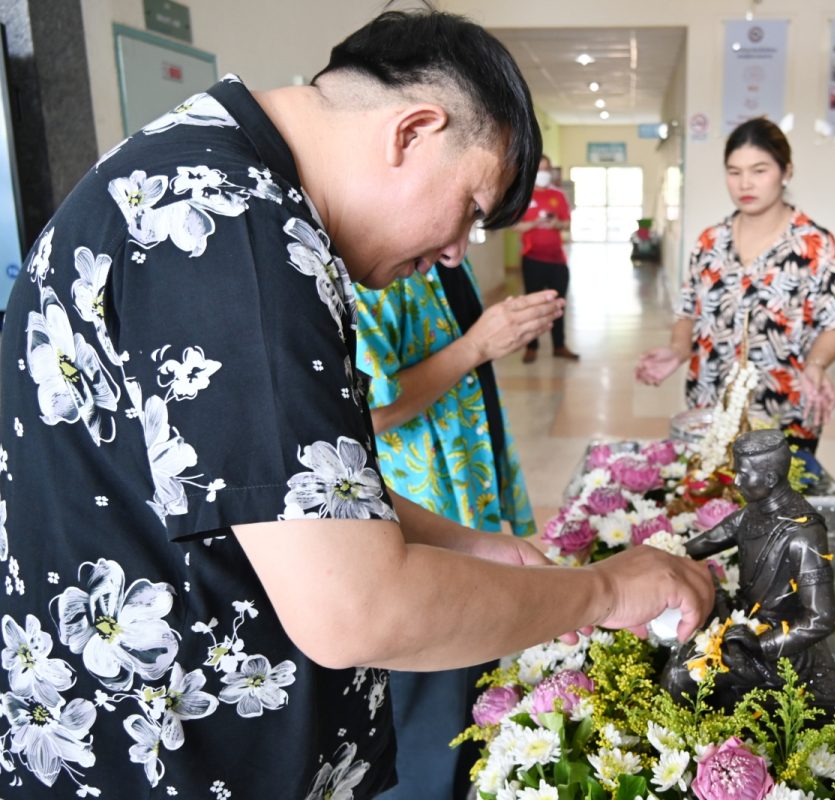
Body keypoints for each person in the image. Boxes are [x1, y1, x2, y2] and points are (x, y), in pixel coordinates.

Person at [0, 10, 713, 798]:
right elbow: (355, 610)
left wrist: (469, 546)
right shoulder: (229, 230)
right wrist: (607, 591)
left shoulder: (208, 183)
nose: (456, 251)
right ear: (413, 131)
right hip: (172, 764)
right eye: (471, 209)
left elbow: (267, 487)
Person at [355, 257, 557, 799]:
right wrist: (476, 346)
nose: (458, 247)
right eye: (468, 217)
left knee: (473, 705)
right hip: (421, 527)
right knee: (426, 728)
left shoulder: (444, 255)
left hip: (469, 510)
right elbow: (370, 411)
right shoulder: (369, 269)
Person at [635, 117, 835, 452]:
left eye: (759, 170)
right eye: (734, 172)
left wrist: (817, 364)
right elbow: (688, 311)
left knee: (781, 488)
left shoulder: (815, 246)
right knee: (711, 485)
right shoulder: (711, 242)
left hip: (785, 411)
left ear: (786, 171)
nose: (745, 184)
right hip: (711, 408)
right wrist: (677, 349)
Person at [661, 429, 835, 718]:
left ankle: (693, 738)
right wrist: (663, 559)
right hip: (742, 619)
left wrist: (762, 644)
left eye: (743, 474)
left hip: (775, 646)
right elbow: (708, 541)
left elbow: (822, 619)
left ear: (770, 478)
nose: (736, 481)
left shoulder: (803, 533)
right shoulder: (755, 512)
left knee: (679, 677)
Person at [514, 154, 579, 363]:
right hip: (532, 260)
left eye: (546, 169)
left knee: (558, 305)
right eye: (539, 169)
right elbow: (515, 226)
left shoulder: (558, 195)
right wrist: (535, 223)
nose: (543, 173)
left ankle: (559, 346)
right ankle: (531, 347)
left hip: (557, 261)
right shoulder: (523, 196)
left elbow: (567, 224)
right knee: (532, 306)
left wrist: (556, 224)